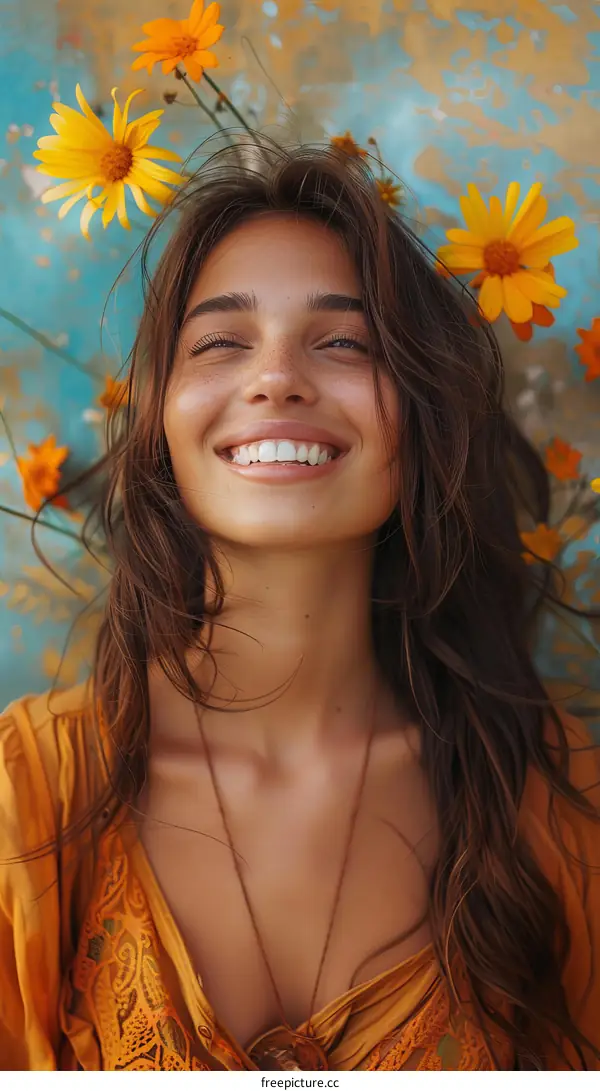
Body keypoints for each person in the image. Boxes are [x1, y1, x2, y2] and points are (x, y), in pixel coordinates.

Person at [1, 142, 599, 1072]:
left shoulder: (562, 804)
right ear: (159, 421)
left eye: (344, 342)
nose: (276, 377)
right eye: (220, 342)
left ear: (423, 413)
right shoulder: (24, 800)